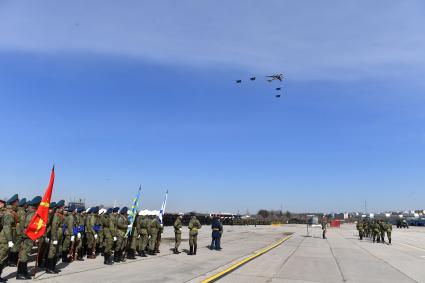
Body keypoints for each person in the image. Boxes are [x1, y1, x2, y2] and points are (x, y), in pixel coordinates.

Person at [17, 196, 41, 280]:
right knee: (25, 255)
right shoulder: (32, 214)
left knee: (25, 254)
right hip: (28, 237)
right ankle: (21, 274)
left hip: (27, 236)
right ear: (37, 204)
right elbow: (28, 226)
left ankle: (23, 272)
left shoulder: (30, 212)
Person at [0, 194, 20, 282]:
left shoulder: (11, 212)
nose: (18, 203)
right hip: (5, 238)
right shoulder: (9, 213)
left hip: (6, 237)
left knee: (3, 257)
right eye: (17, 201)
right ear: (14, 202)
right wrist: (10, 240)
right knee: (1, 257)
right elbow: (7, 227)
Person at [46, 200, 65, 274]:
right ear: (60, 207)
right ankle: (49, 268)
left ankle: (53, 267)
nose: (64, 208)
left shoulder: (60, 214)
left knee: (56, 251)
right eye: (63, 206)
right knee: (52, 251)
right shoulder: (56, 215)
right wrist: (54, 238)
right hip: (56, 235)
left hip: (59, 234)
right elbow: (54, 226)